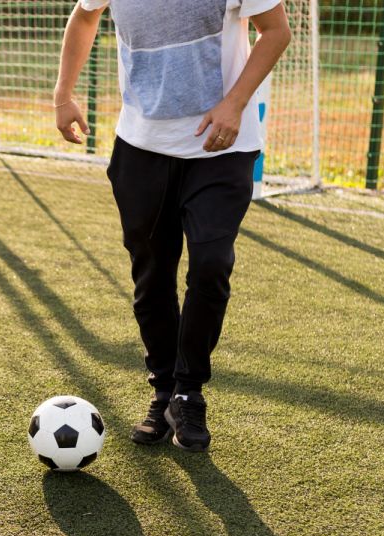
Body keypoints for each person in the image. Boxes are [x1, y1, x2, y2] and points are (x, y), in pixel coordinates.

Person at [55, 1, 291, 451]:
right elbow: (85, 15)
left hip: (221, 148)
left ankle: (189, 392)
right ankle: (164, 389)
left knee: (211, 266)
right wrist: (63, 95)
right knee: (152, 275)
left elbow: (275, 31)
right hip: (142, 148)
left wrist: (234, 103)